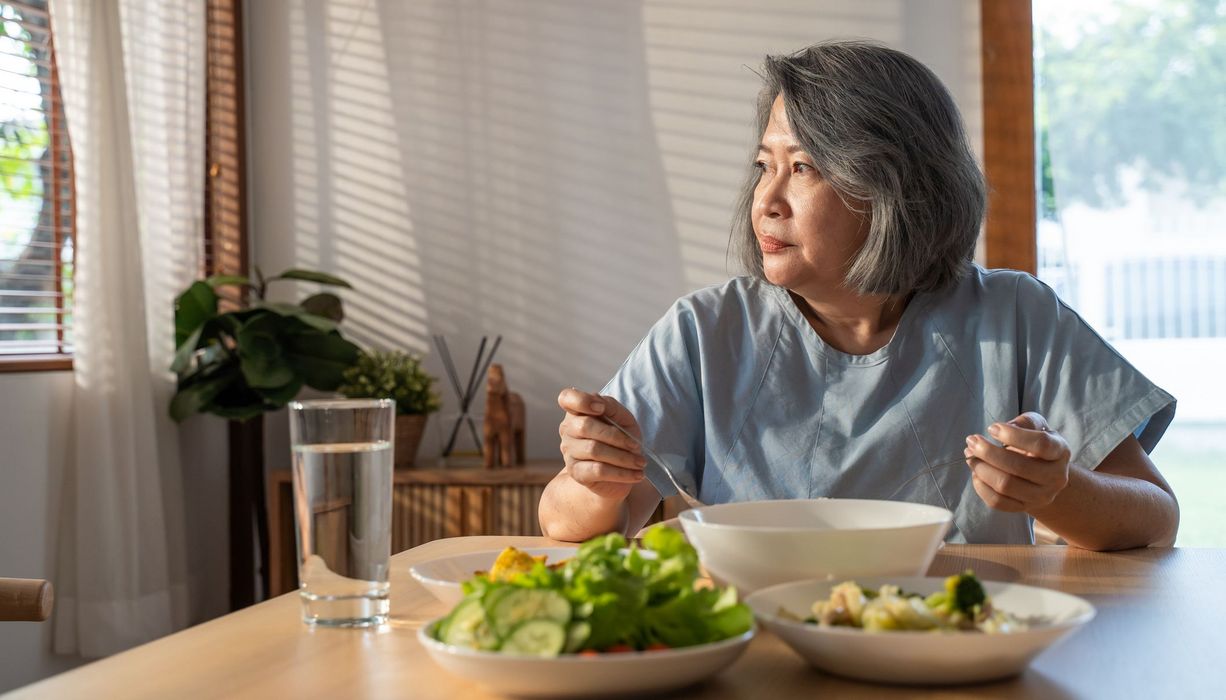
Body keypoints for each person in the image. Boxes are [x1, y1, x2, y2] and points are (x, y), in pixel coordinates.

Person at [538, 40, 1179, 550]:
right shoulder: (703, 330)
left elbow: (1155, 517)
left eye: (805, 168)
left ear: (893, 187)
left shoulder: (1017, 315)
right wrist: (595, 481)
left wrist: (1057, 491)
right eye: (765, 165)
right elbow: (564, 524)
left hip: (953, 644)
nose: (766, 200)